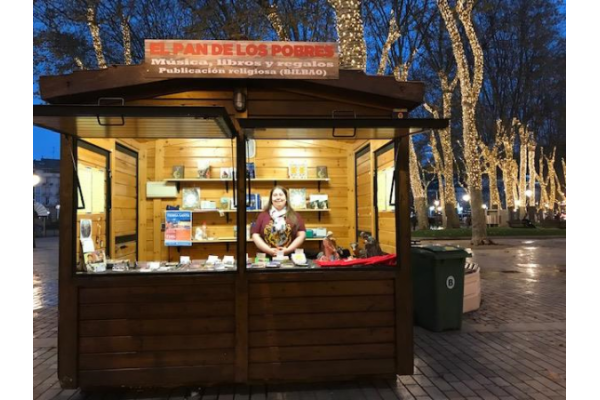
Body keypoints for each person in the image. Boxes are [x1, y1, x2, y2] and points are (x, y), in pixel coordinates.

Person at [251, 186, 306, 256]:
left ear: (286, 198)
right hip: (266, 257)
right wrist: (268, 250)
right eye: (275, 195)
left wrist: (288, 250)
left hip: (288, 257)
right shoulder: (262, 215)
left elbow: (302, 235)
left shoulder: (295, 215)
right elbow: (255, 235)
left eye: (281, 195)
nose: (278, 197)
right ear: (271, 199)